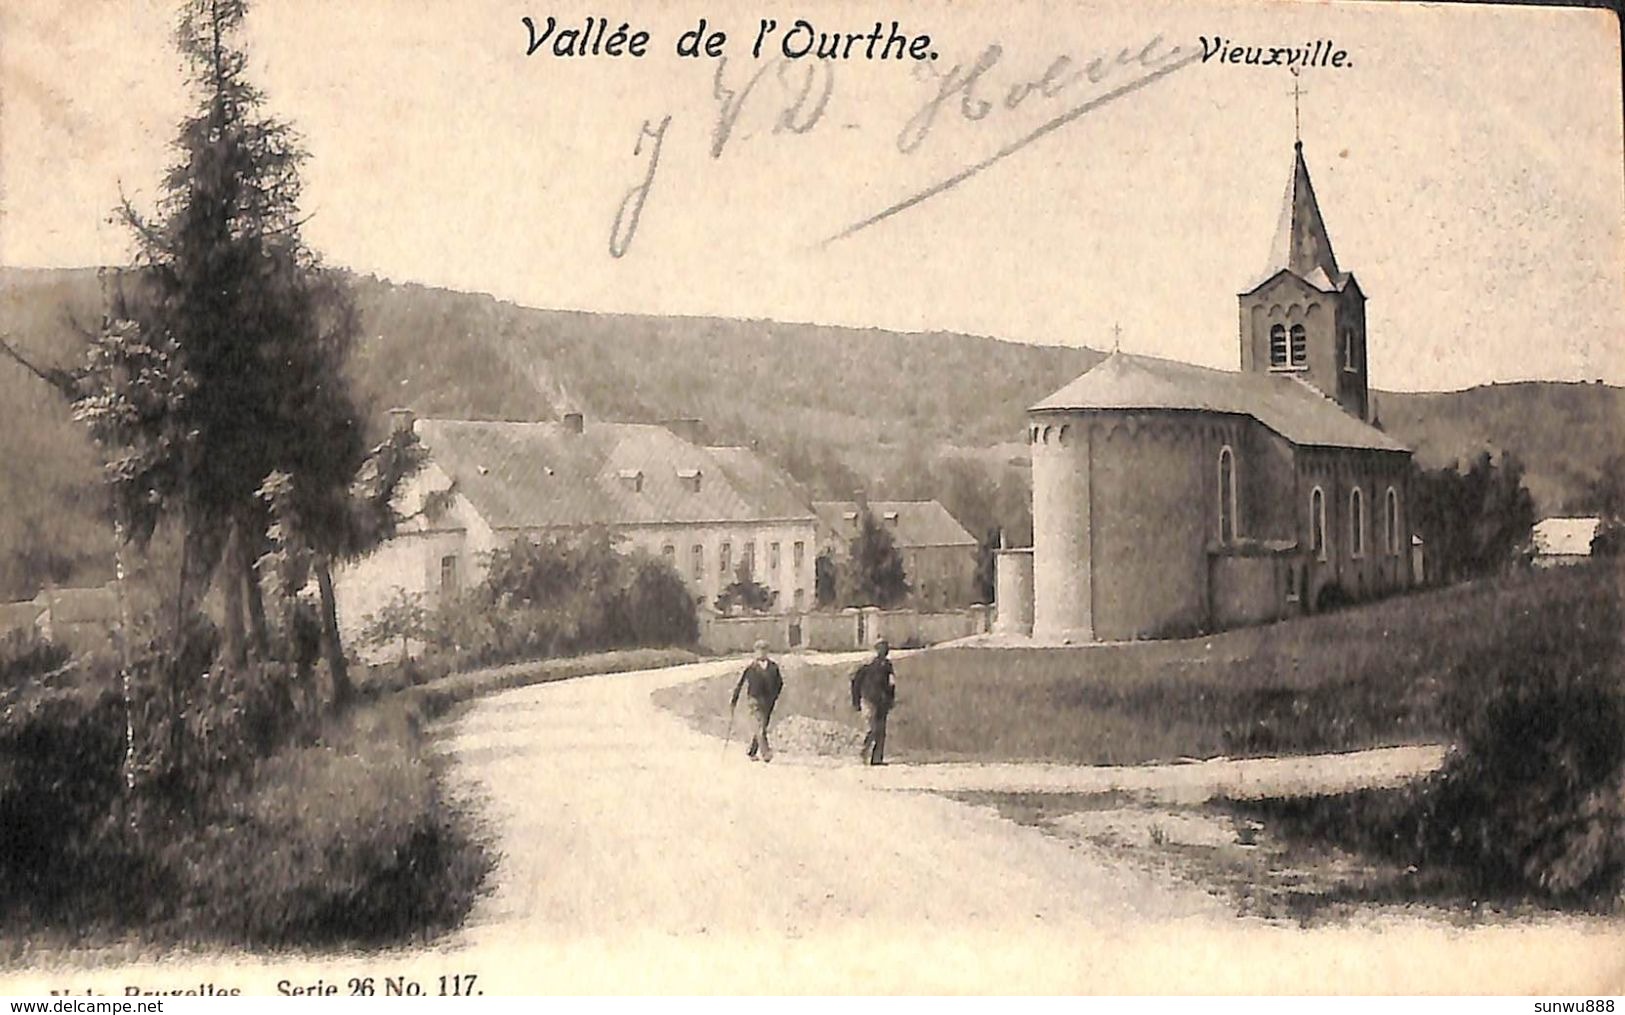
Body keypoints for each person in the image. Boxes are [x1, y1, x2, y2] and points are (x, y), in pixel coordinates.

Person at [730, 639, 783, 762]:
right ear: (755, 652)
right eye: (759, 650)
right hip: (754, 700)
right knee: (760, 726)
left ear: (768, 652)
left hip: (769, 702)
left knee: (762, 726)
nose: (762, 653)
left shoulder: (773, 667)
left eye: (764, 650)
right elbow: (740, 684)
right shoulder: (751, 668)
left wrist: (775, 696)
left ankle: (751, 751)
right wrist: (734, 700)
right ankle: (766, 753)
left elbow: (780, 683)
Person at [850, 639, 897, 765]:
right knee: (872, 729)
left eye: (886, 648)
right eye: (882, 648)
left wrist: (891, 699)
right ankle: (862, 753)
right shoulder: (867, 664)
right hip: (869, 700)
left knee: (880, 731)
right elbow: (856, 682)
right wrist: (856, 700)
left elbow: (891, 684)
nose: (885, 651)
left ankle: (876, 759)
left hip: (881, 701)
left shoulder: (887, 665)